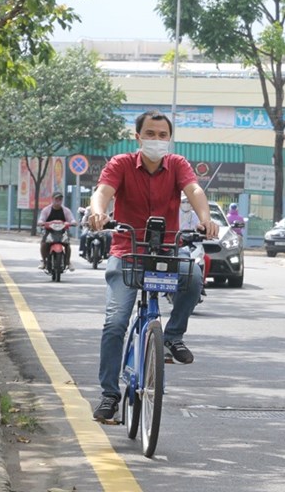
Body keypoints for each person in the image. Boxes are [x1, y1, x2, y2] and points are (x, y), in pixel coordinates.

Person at [86, 110, 219, 422]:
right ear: (138, 137)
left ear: (169, 139)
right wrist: (98, 212)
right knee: (115, 324)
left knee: (193, 276)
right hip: (127, 253)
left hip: (167, 252)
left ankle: (172, 337)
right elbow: (102, 191)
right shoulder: (120, 163)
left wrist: (205, 219)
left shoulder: (177, 164)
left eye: (162, 135)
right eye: (150, 134)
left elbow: (194, 190)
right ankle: (109, 394)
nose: (156, 140)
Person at [37, 192, 77, 271]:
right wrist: (41, 222)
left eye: (60, 199)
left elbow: (72, 219)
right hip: (49, 232)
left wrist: (72, 222)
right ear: (52, 199)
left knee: (67, 245)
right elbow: (41, 219)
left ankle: (68, 262)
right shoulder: (46, 210)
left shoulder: (66, 210)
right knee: (44, 243)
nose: (58, 201)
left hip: (62, 232)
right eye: (56, 199)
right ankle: (44, 261)